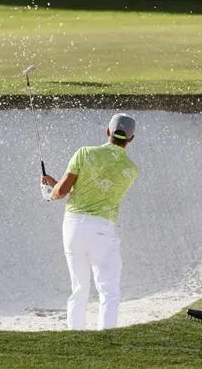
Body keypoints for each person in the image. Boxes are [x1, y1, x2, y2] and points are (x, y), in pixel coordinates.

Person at [41, 113, 139, 330]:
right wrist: (57, 187)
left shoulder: (85, 153)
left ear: (107, 132)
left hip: (73, 226)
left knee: (79, 287)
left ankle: (75, 335)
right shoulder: (131, 170)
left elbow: (62, 193)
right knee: (108, 289)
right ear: (131, 139)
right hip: (102, 229)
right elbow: (99, 190)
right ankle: (106, 337)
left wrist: (51, 190)